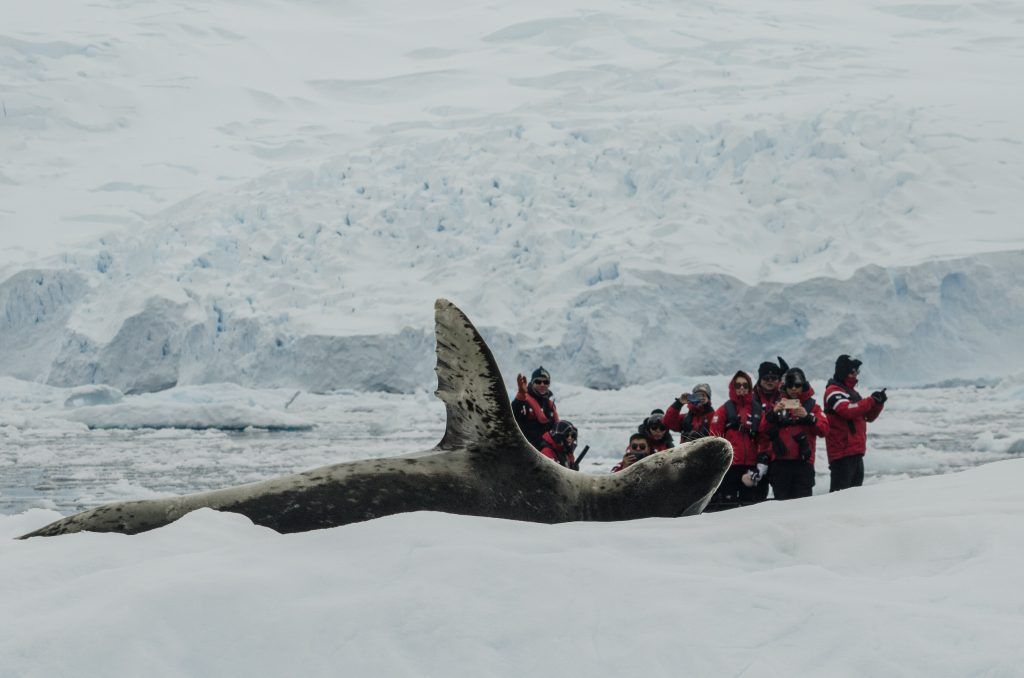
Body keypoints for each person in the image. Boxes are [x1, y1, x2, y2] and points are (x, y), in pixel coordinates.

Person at [824, 355, 887, 492]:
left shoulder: (852, 393)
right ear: (844, 372)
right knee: (840, 496)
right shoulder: (833, 391)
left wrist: (878, 404)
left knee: (855, 495)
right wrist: (870, 401)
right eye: (853, 372)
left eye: (857, 372)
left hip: (856, 451)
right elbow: (846, 410)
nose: (856, 375)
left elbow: (867, 417)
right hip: (842, 453)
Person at [765, 367, 828, 500]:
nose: (793, 389)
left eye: (797, 385)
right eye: (790, 385)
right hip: (780, 464)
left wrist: (809, 418)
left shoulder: (812, 407)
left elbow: (825, 430)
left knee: (802, 507)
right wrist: (772, 415)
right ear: (785, 387)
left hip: (803, 464)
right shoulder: (776, 405)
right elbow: (761, 430)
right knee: (781, 506)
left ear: (803, 385)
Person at [707, 370, 766, 509]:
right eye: (738, 385)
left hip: (750, 467)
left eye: (745, 385)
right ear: (732, 387)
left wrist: (761, 463)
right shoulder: (723, 411)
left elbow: (763, 439)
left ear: (750, 387)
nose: (741, 388)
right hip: (730, 466)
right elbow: (714, 439)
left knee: (749, 506)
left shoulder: (757, 410)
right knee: (728, 507)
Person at [511, 366, 559, 450]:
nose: (542, 384)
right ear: (532, 383)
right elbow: (513, 415)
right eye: (538, 381)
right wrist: (521, 395)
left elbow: (557, 428)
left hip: (545, 452)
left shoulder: (550, 405)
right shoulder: (524, 400)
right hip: (527, 450)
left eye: (546, 382)